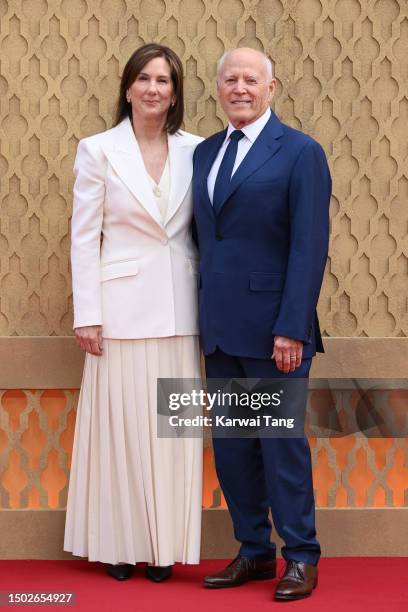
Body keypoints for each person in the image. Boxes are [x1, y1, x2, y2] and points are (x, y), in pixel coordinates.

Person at [192, 48, 331, 601]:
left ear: (273, 88)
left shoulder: (300, 152)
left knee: (280, 445)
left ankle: (300, 555)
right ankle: (253, 551)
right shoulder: (203, 153)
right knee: (232, 448)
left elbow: (309, 246)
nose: (240, 87)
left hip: (277, 332)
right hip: (220, 328)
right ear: (219, 88)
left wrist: (292, 327)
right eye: (231, 79)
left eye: (252, 79)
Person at [64, 43, 203, 582]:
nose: (153, 89)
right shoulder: (97, 149)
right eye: (143, 78)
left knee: (175, 433)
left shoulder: (197, 150)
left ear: (175, 94)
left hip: (182, 310)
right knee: (119, 433)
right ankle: (119, 544)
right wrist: (87, 314)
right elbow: (83, 237)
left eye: (164, 81)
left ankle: (164, 547)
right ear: (127, 88)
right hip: (117, 315)